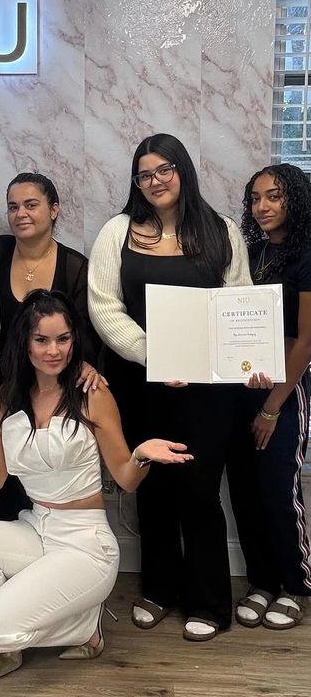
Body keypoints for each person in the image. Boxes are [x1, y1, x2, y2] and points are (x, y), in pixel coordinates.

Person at [0, 290, 192, 679]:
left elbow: (126, 478)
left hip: (87, 543)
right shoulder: (6, 398)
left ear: (75, 339)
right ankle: (16, 630)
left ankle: (81, 627)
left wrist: (140, 454)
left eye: (63, 338)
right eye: (42, 340)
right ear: (26, 342)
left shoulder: (92, 393)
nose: (54, 350)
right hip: (36, 528)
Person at [88, 133, 252, 641]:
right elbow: (103, 306)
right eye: (145, 173)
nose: (155, 181)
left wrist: (251, 359)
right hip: (142, 384)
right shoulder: (118, 231)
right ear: (135, 181)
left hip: (208, 391)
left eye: (165, 170)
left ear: (183, 170)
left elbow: (240, 304)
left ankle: (208, 602)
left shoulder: (222, 231)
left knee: (200, 491)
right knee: (152, 486)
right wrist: (151, 353)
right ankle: (159, 590)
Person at [0, 172, 103, 520]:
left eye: (31, 205)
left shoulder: (75, 267)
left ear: (54, 209)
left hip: (49, 393)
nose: (21, 213)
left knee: (44, 481)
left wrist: (87, 365)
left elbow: (84, 334)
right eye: (13, 206)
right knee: (3, 486)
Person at [228, 163, 311, 629]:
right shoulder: (253, 253)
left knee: (279, 491)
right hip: (242, 389)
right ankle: (262, 582)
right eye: (256, 198)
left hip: (285, 395)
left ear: (295, 199)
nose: (262, 207)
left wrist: (271, 407)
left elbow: (306, 341)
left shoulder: (306, 255)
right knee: (244, 490)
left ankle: (295, 586)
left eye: (274, 196)